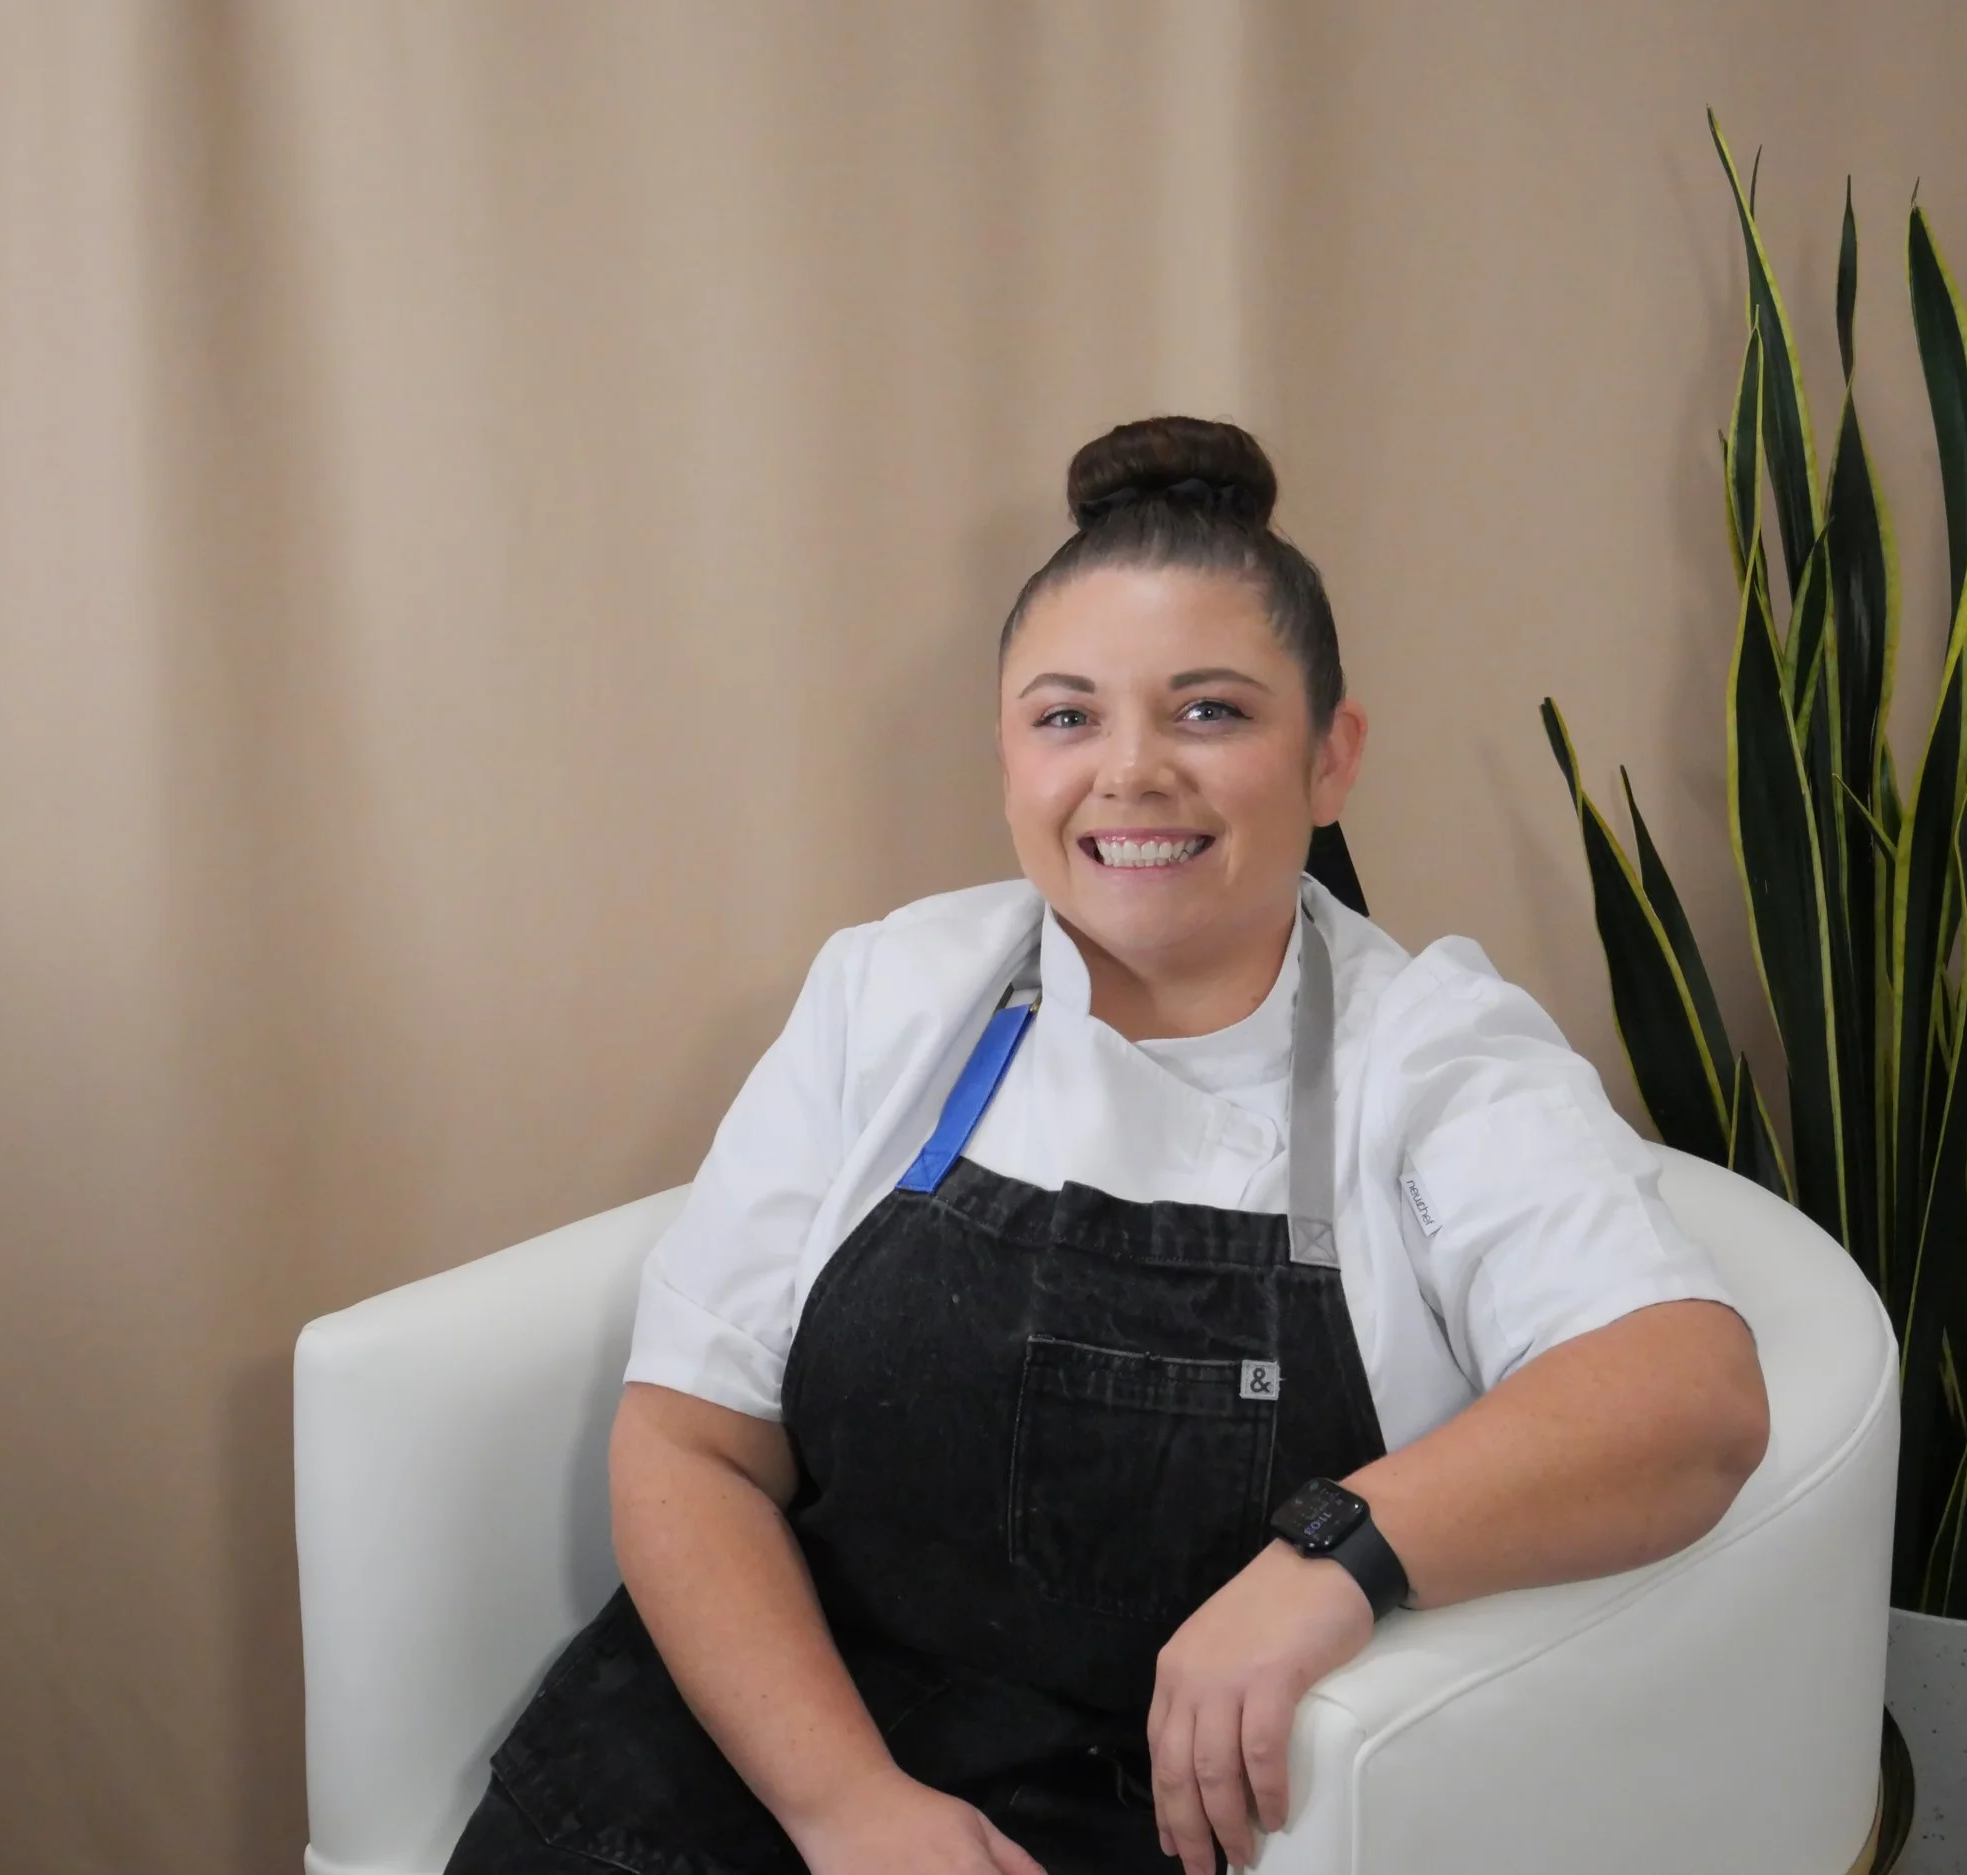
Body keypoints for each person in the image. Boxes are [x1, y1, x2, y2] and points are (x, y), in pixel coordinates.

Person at [446, 417, 1770, 1875]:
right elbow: (690, 1443)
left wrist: (1335, 1552)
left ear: (1331, 757)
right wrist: (846, 1804)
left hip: (1132, 1816)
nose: (1130, 773)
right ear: (1007, 756)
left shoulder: (1432, 1052)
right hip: (754, 1756)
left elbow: (1687, 1398)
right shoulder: (890, 992)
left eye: (1209, 712)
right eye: (1066, 718)